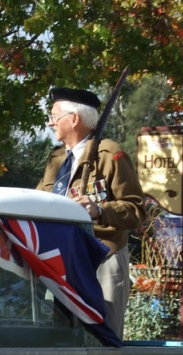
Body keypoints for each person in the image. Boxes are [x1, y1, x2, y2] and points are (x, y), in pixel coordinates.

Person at [35, 87, 146, 338]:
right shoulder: (55, 161)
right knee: (62, 337)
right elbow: (36, 201)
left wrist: (99, 210)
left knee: (102, 337)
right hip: (61, 258)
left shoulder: (108, 155)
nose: (50, 122)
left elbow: (137, 211)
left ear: (74, 119)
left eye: (54, 116)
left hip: (103, 257)